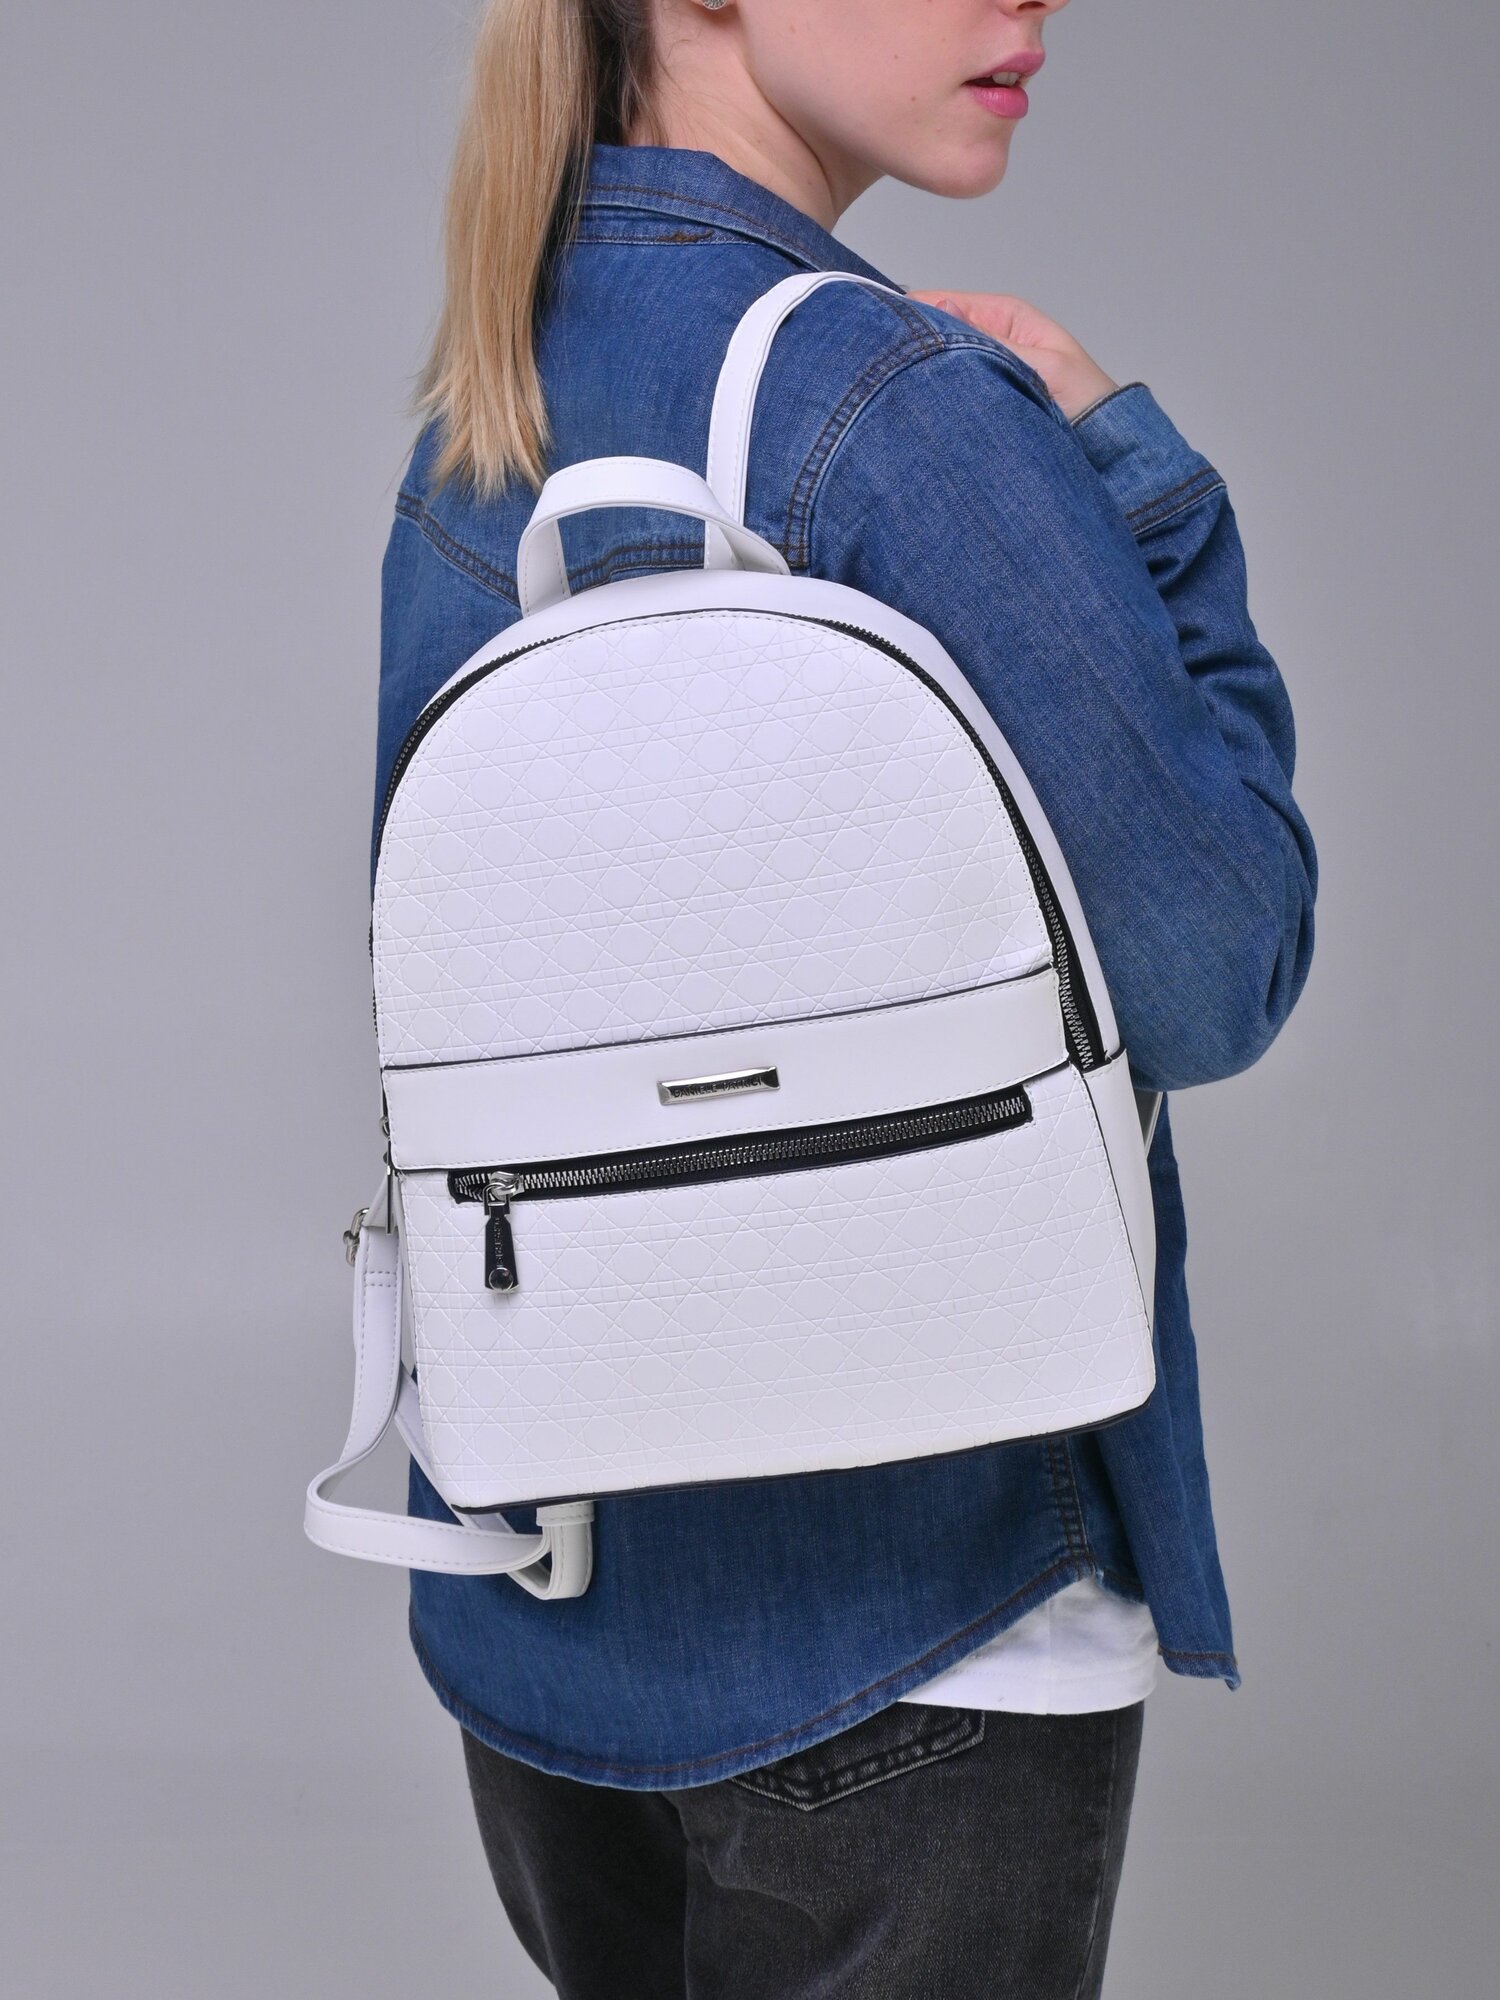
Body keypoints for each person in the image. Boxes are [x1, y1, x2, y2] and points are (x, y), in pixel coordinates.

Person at [374, 2, 1318, 1993]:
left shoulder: (498, 378)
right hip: (921, 1636)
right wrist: (1144, 484)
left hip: (551, 1606)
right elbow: (1218, 968)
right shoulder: (899, 415)